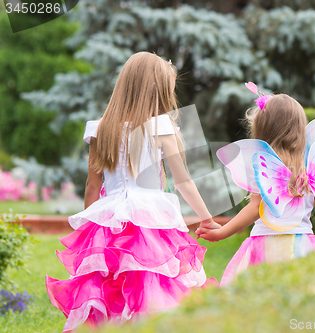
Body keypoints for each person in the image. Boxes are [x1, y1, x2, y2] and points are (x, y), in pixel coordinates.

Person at [46, 52, 219, 332]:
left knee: (109, 287)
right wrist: (207, 217)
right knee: (153, 282)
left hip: (110, 217)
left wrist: (90, 229)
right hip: (151, 219)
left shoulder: (100, 129)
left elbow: (93, 185)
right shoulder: (162, 126)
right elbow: (183, 181)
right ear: (156, 91)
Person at [197, 83, 315, 286]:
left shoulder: (263, 164)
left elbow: (255, 208)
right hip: (302, 244)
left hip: (265, 244)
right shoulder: (312, 165)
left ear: (262, 130)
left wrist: (222, 232)